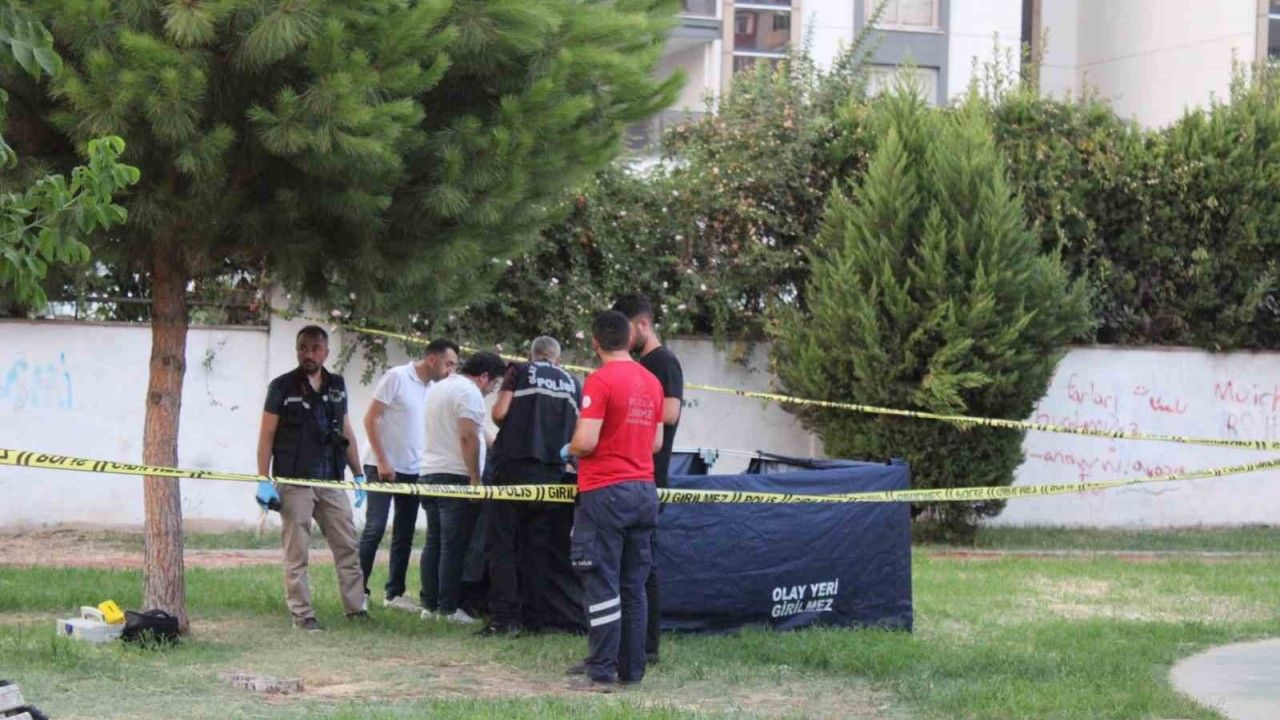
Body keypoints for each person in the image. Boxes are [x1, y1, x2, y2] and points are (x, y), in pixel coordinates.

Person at [565, 310, 664, 692]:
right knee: (633, 586)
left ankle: (601, 672)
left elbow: (586, 440)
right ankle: (632, 671)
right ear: (629, 339)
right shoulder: (651, 381)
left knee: (602, 582)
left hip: (605, 492)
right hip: (644, 491)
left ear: (595, 343)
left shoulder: (600, 380)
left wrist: (570, 447)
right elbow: (656, 443)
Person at [255, 325, 368, 631]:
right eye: (303, 348)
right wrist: (262, 479)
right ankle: (303, 615)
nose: (309, 354)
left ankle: (356, 609)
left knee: (347, 546)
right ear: (297, 351)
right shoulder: (282, 386)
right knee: (297, 553)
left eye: (315, 348)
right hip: (295, 481)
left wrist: (358, 474)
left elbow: (346, 429)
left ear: (326, 352)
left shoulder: (336, 385)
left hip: (331, 480)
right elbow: (266, 435)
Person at [480, 336, 580, 637]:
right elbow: (578, 432)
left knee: (503, 545)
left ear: (532, 354)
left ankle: (504, 619)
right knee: (537, 548)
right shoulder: (574, 383)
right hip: (552, 473)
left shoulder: (520, 371)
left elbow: (499, 413)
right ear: (557, 359)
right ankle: (534, 618)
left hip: (513, 467)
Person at [358, 338, 459, 613]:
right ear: (432, 359)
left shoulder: (435, 389)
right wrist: (382, 460)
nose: (451, 371)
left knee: (404, 533)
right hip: (381, 466)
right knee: (375, 528)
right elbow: (370, 418)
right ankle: (357, 591)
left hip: (414, 470)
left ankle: (395, 593)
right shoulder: (397, 377)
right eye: (449, 364)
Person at [612, 293, 683, 664]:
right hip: (630, 476)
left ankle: (647, 646)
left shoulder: (664, 362)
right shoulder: (641, 364)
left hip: (651, 476)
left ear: (642, 325)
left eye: (626, 329)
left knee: (644, 567)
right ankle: (628, 643)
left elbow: (670, 412)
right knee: (629, 566)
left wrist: (630, 409)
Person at [418, 351, 507, 624]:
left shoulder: (439, 388)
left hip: (429, 472)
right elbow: (468, 436)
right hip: (455, 476)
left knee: (434, 542)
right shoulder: (469, 393)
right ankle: (448, 608)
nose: (491, 391)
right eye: (493, 384)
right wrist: (475, 478)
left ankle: (429, 605)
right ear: (484, 377)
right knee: (453, 546)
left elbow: (477, 433)